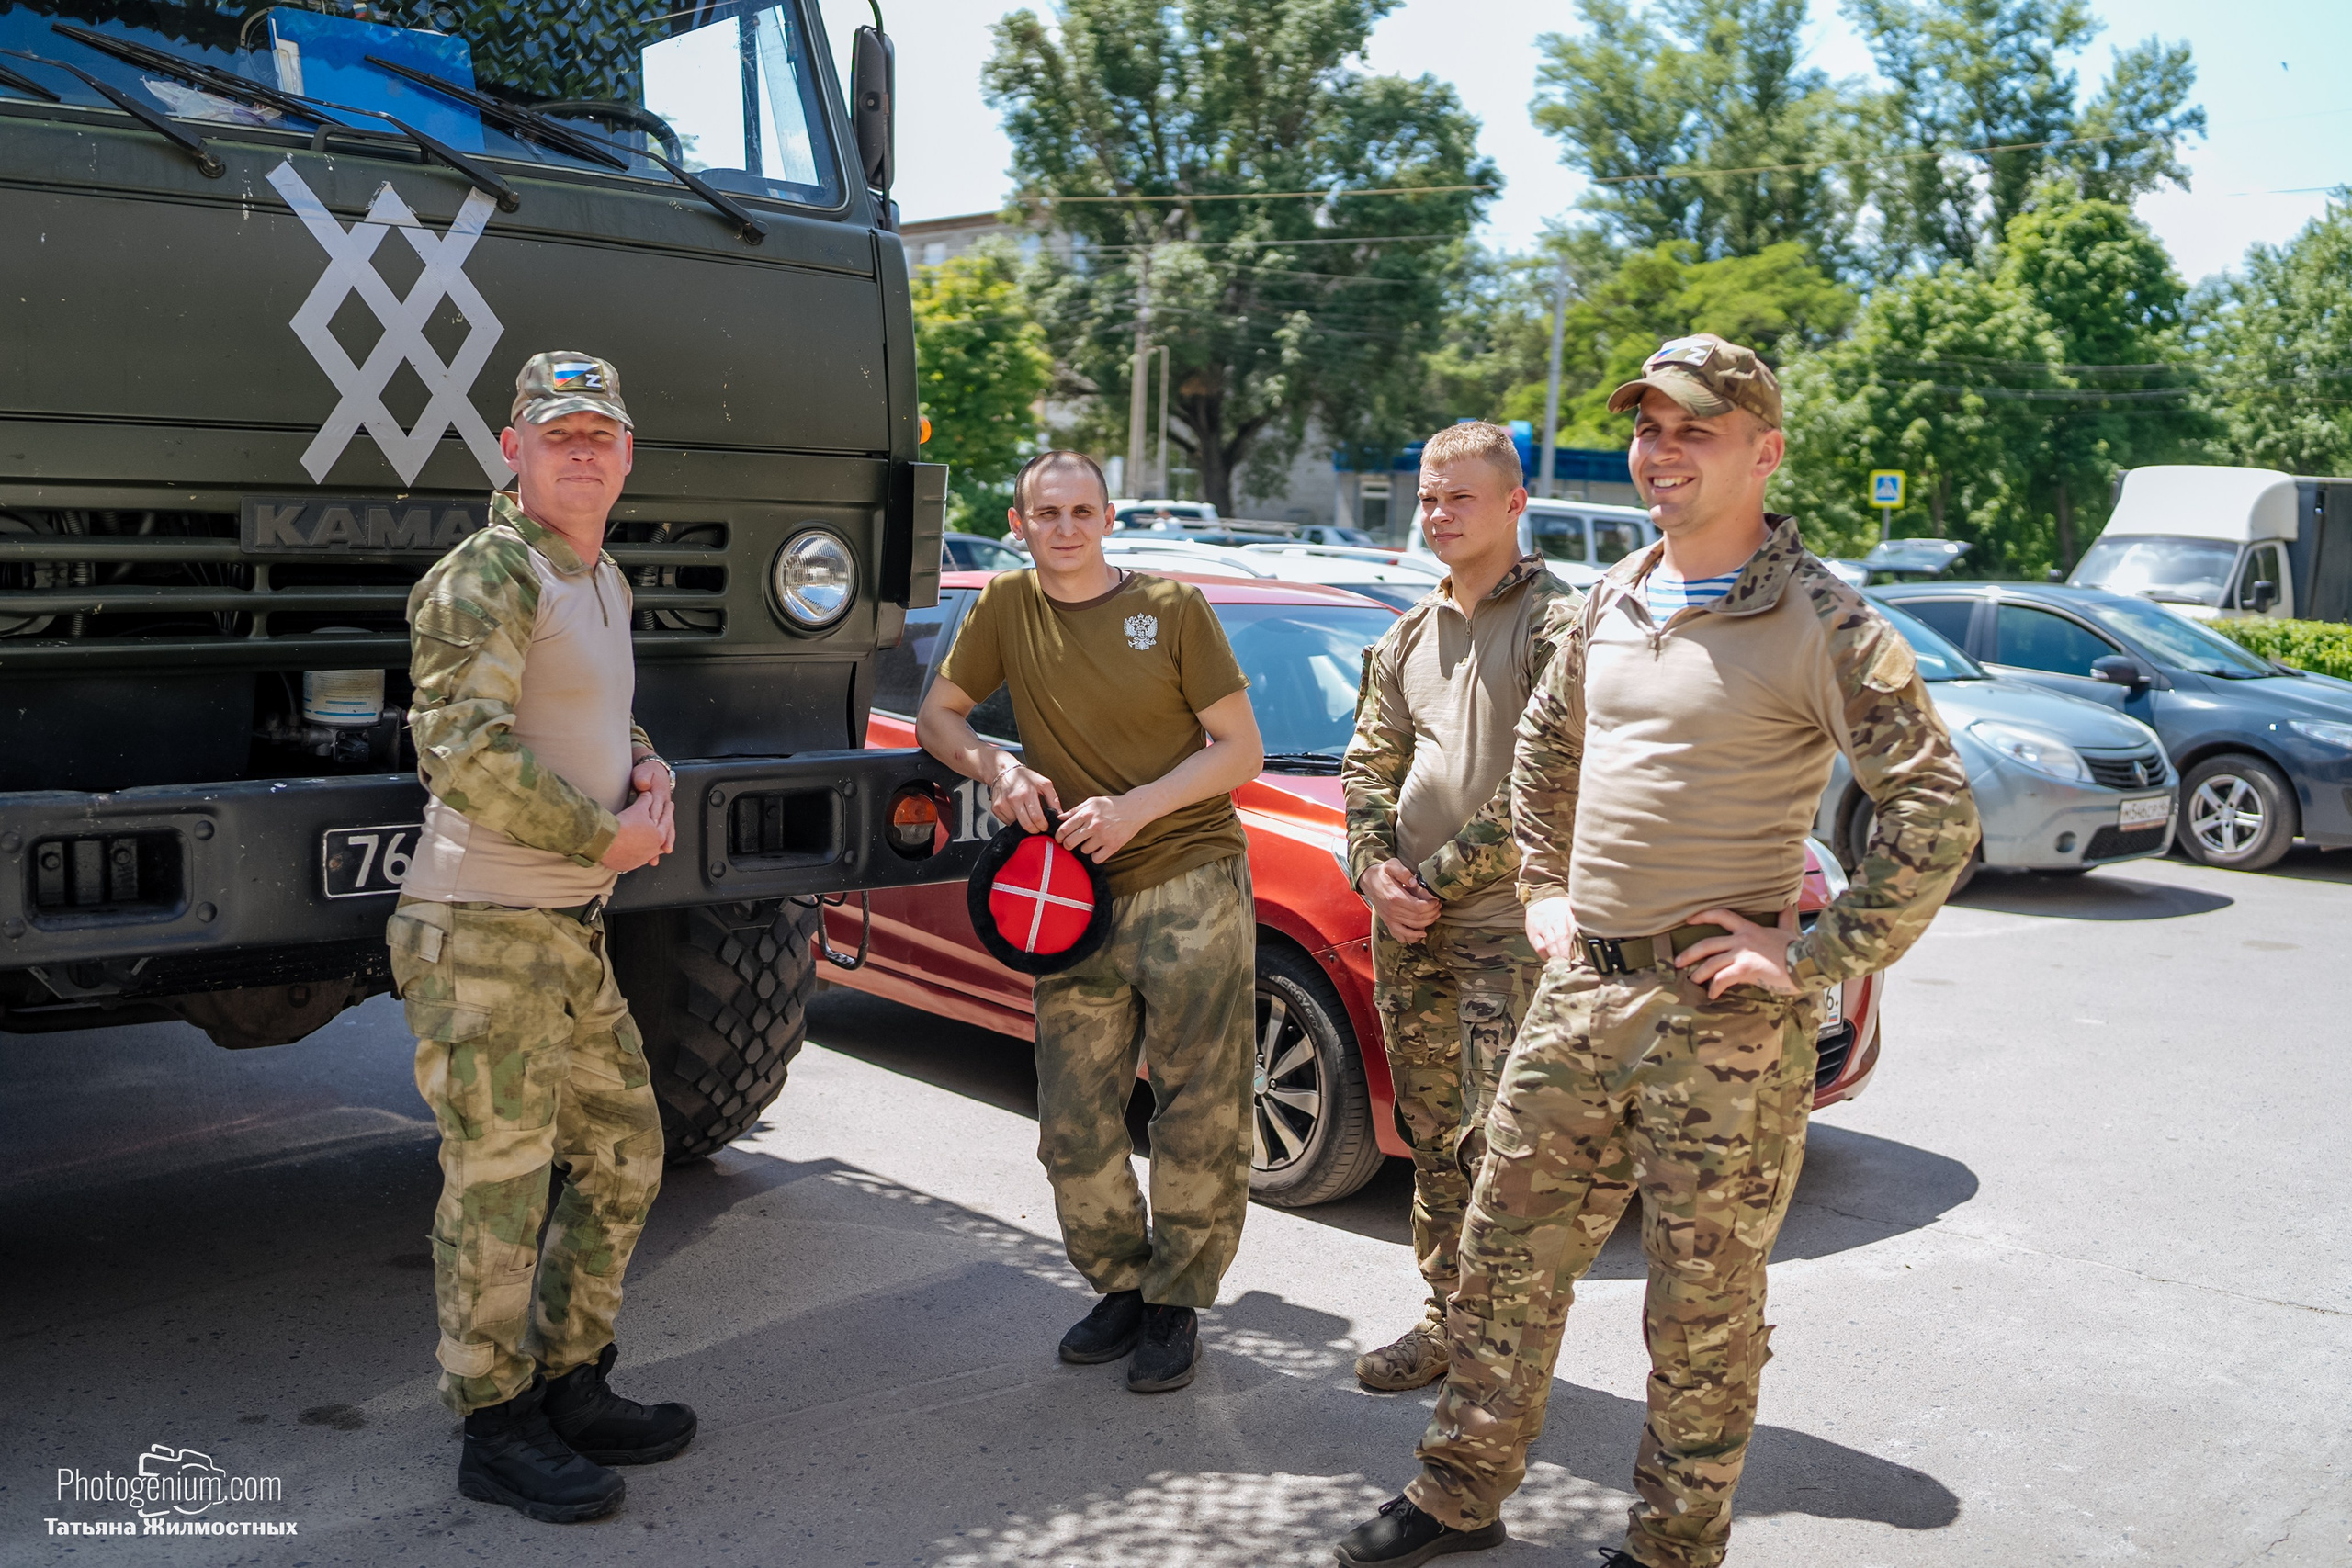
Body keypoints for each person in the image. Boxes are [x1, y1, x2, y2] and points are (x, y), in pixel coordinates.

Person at [1335, 334, 1979, 1568]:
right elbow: (1544, 762)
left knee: (1701, 1307)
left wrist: (1814, 947)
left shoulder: (1824, 620)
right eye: (1648, 427)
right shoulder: (1611, 598)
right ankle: (1459, 1493)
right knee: (1498, 1258)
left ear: (1764, 451)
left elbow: (1937, 815)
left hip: (1719, 1027)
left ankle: (1674, 1543)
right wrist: (1537, 888)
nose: (1662, 450)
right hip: (1578, 991)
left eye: (1695, 428)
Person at [389, 351, 692, 1525]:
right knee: (499, 1184)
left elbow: (586, 705)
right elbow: (458, 746)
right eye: (555, 433)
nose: (580, 451)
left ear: (625, 459)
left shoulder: (594, 575)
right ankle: (492, 1420)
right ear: (509, 451)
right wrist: (599, 839)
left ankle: (571, 1380)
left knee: (622, 1153)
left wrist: (645, 760)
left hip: (563, 929)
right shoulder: (490, 572)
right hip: (481, 928)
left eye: (599, 436)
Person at [916, 450, 1266, 1393]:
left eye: (1080, 511)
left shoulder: (1173, 607)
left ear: (1108, 517)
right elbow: (937, 716)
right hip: (1071, 896)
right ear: (1019, 520)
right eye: (1044, 512)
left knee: (1200, 1109)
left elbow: (1241, 749)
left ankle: (1175, 1304)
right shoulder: (1003, 607)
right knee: (1074, 1119)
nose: (1063, 528)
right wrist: (996, 767)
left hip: (1188, 876)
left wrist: (1135, 808)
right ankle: (1120, 1282)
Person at [1340, 422, 1633, 1393]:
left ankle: (1500, 1361)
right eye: (1427, 495)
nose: (1436, 512)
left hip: (1506, 938)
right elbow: (1368, 767)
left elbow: (1547, 784)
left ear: (1513, 505)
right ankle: (1445, 1325)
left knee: (1505, 1157)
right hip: (1409, 935)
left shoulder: (1561, 624)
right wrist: (1372, 865)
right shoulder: (1405, 634)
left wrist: (1435, 880)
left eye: (1458, 497)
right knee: (1431, 1145)